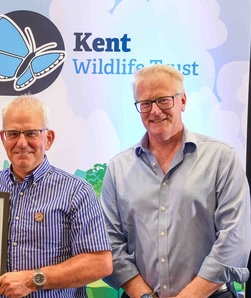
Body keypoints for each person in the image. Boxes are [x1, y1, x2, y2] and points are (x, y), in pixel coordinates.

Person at [101, 64, 251, 298]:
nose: (155, 111)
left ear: (182, 101)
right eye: (145, 104)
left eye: (164, 100)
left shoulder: (221, 158)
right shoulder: (118, 168)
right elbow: (109, 241)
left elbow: (234, 240)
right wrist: (144, 295)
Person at [0, 95, 113, 297]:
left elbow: (99, 263)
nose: (22, 142)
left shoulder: (76, 191)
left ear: (49, 138)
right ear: (3, 138)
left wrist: (33, 281)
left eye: (31, 133)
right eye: (13, 134)